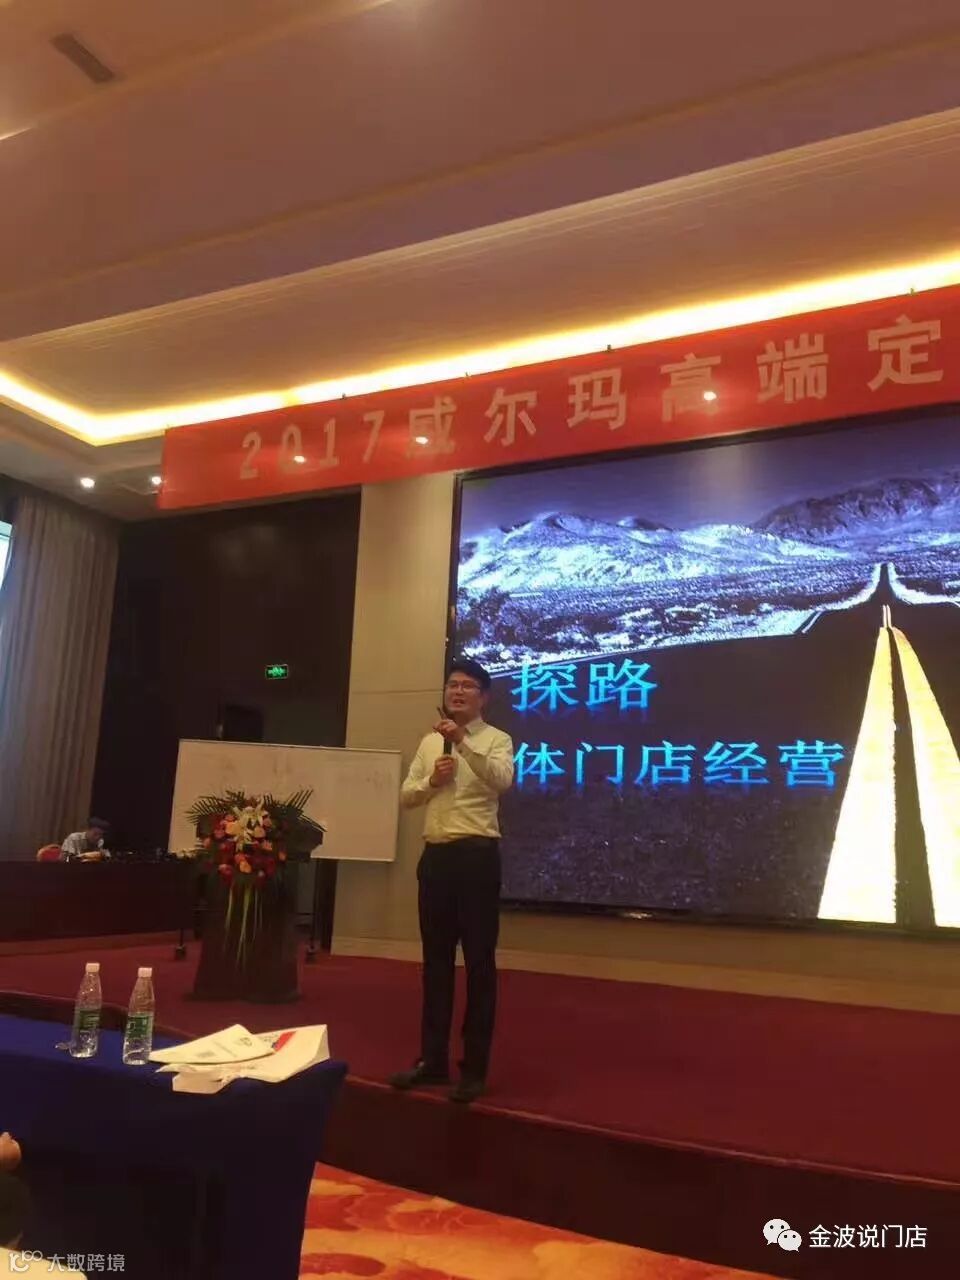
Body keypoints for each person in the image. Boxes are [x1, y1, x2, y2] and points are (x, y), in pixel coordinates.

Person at [390, 658, 514, 1104]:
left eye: (467, 686)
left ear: (484, 697)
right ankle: (433, 1060)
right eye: (452, 685)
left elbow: (502, 780)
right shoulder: (429, 742)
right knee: (435, 963)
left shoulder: (497, 739)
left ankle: (474, 1069)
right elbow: (406, 796)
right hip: (437, 859)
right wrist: (431, 781)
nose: (457, 691)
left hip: (476, 859)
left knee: (479, 964)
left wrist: (462, 742)